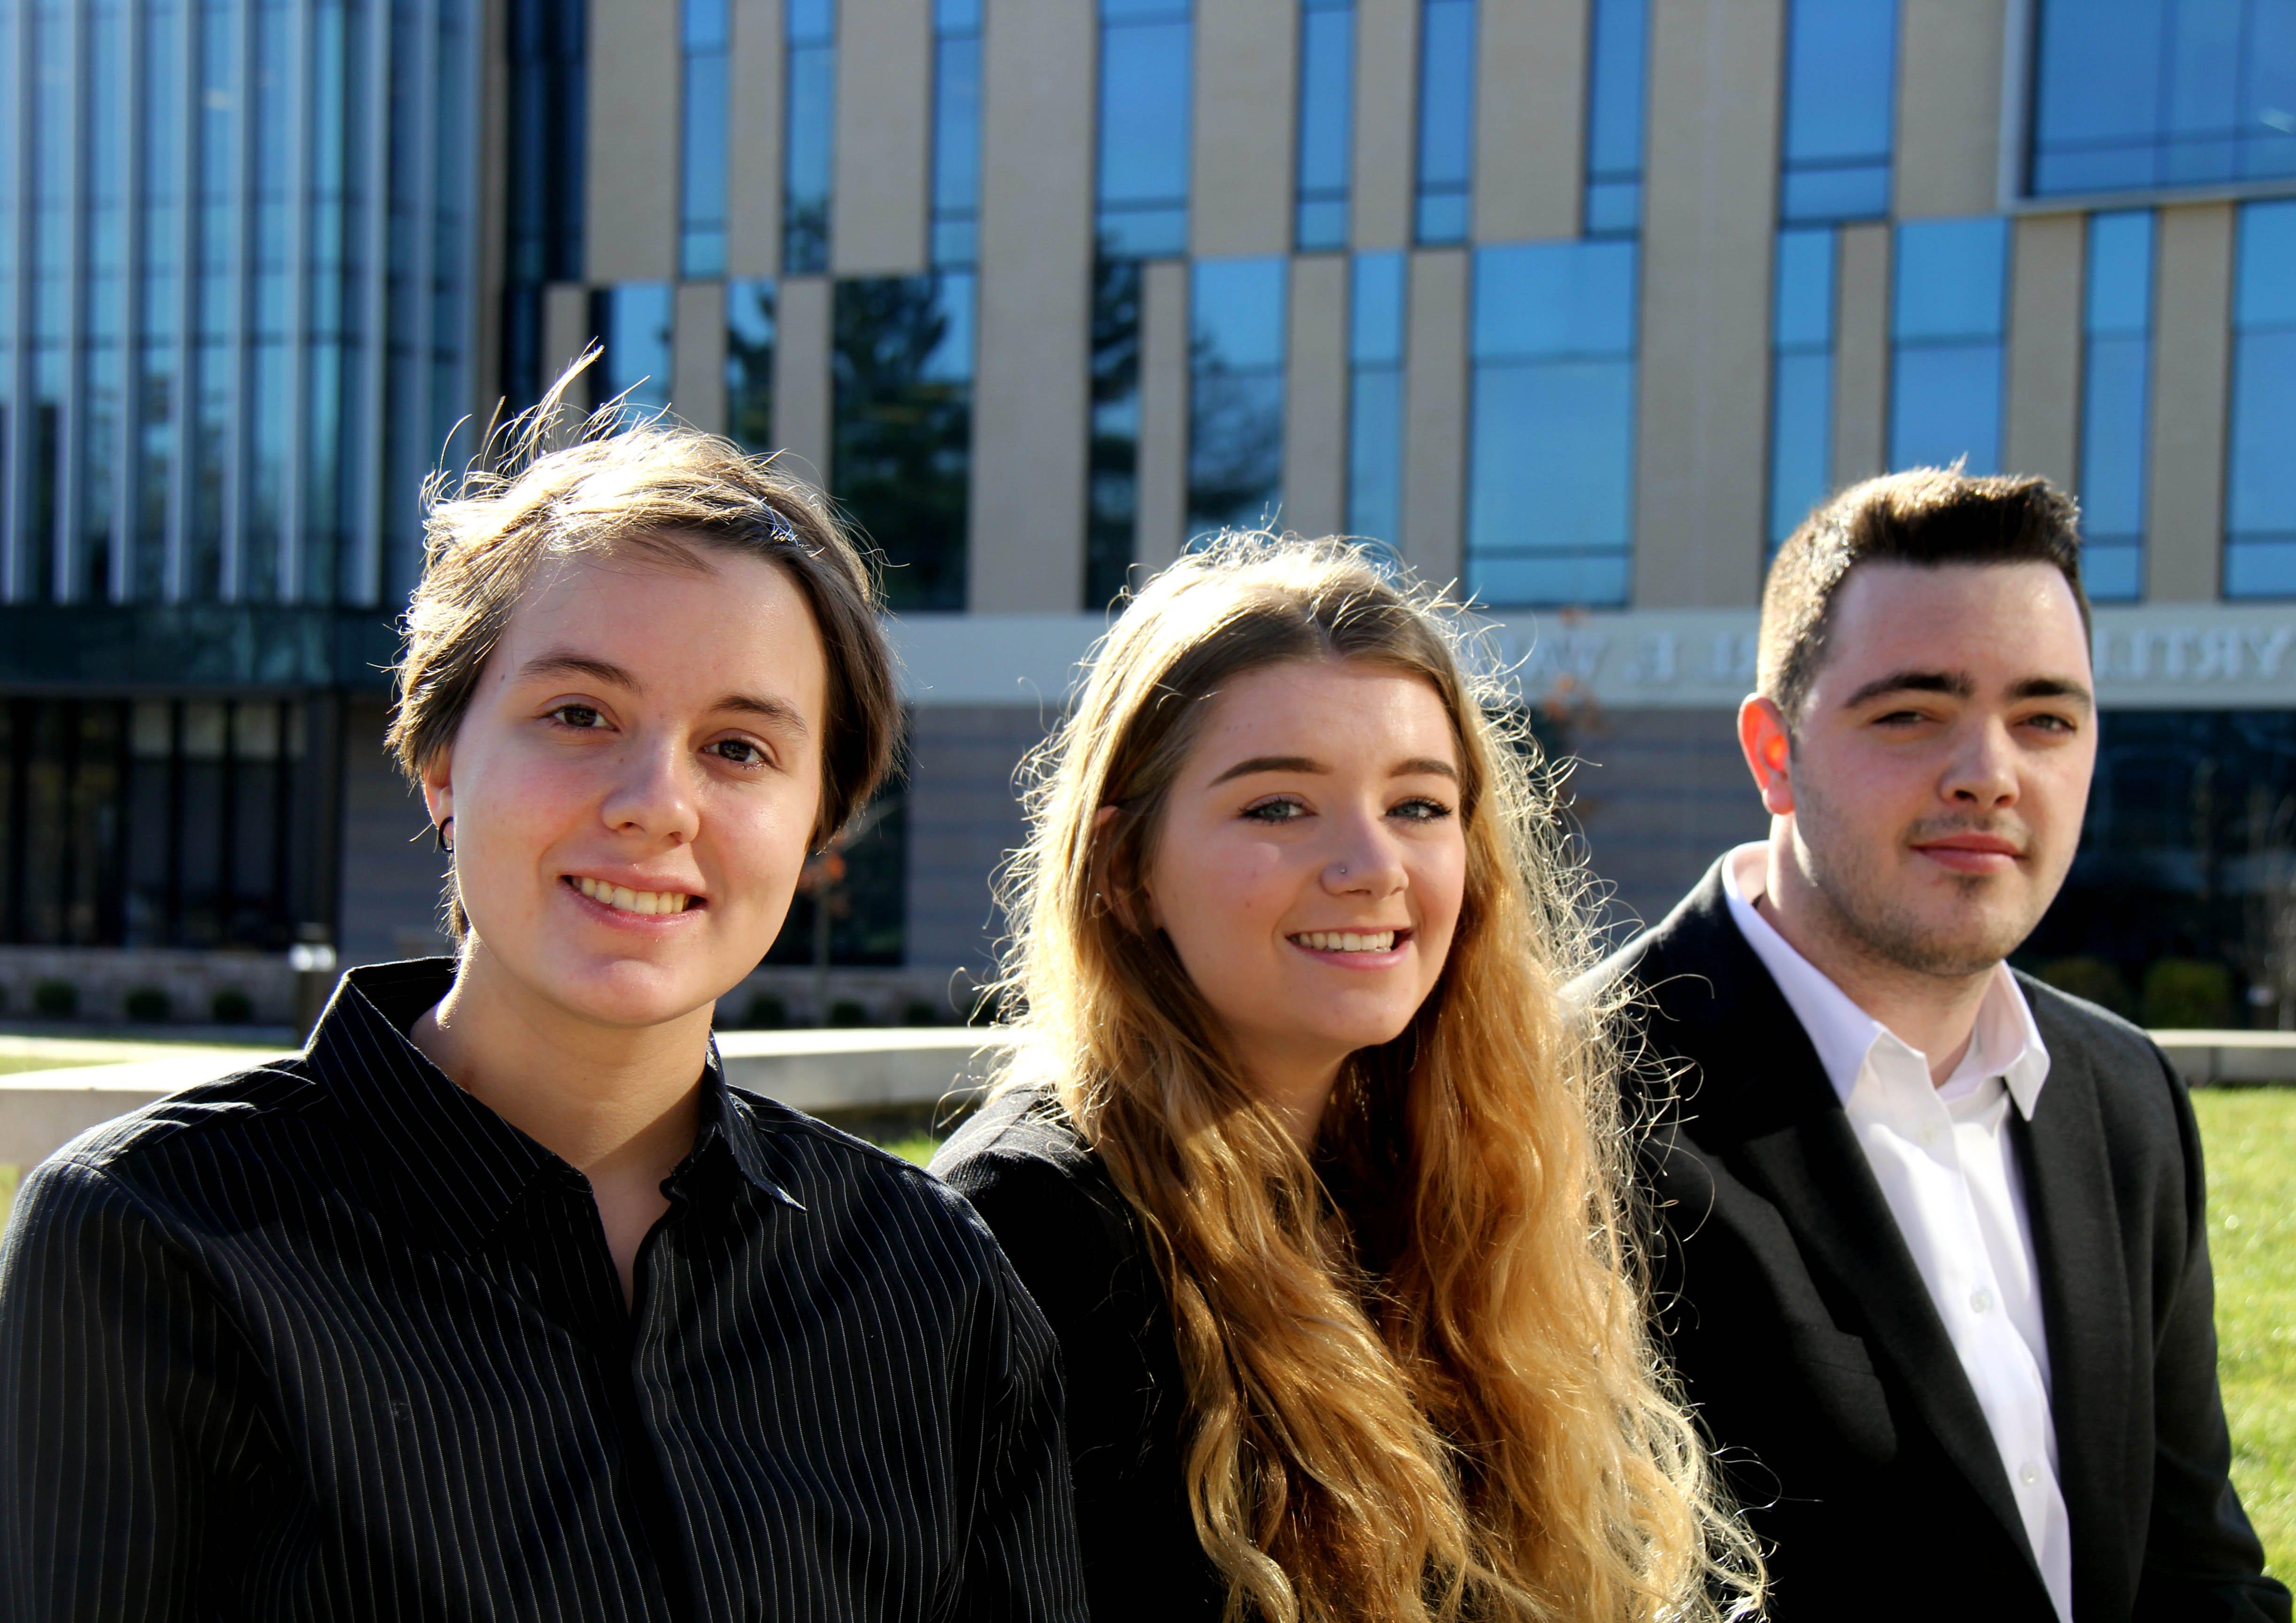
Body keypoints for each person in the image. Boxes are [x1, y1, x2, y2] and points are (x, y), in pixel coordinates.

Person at [0, 380, 1087, 1621]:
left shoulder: (933, 1285)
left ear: (817, 826)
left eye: (740, 750)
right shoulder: (157, 1235)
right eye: (579, 714)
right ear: (440, 762)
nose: (653, 802)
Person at [932, 534, 1758, 1623]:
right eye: (1279, 806)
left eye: (1418, 806)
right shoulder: (1033, 1226)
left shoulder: (1459, 1182)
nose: (1373, 869)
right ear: (1128, 871)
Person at [1576, 469, 2291, 1622]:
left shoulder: (2126, 1097)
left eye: (2046, 719)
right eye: (1911, 713)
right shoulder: (1562, 1101)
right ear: (1773, 755)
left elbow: (2194, 1570)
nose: (1990, 773)